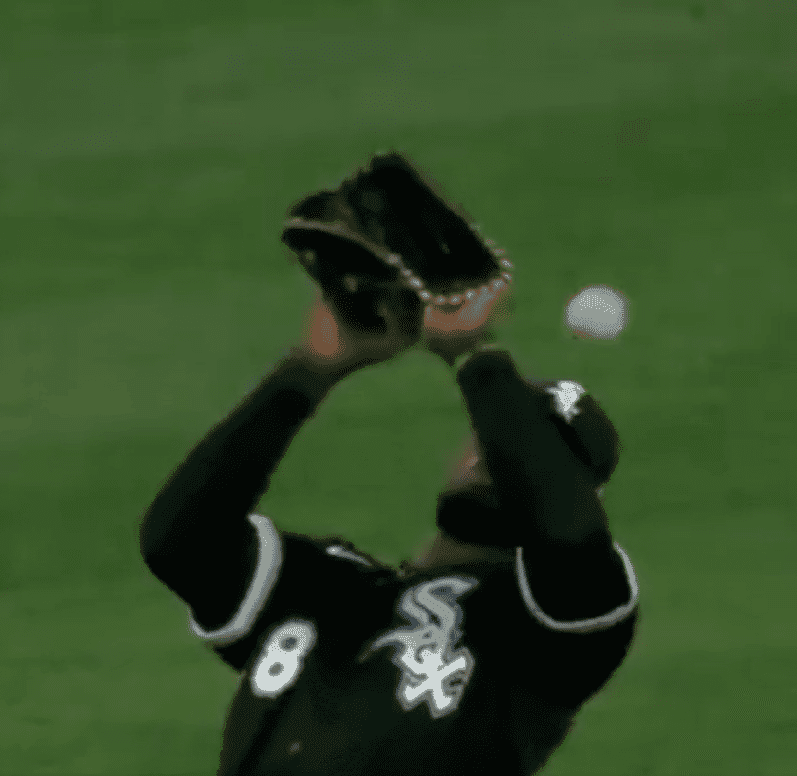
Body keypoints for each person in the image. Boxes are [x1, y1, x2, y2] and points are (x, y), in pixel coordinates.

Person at [138, 284, 638, 775]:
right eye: (491, 439)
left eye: (536, 450)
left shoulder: (549, 632)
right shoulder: (328, 590)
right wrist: (312, 369)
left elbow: (570, 537)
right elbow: (181, 542)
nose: (493, 460)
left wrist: (474, 356)